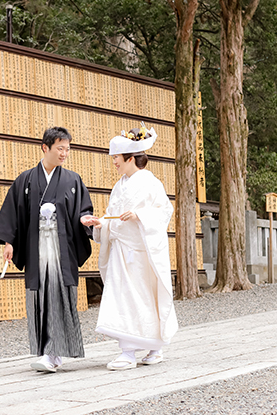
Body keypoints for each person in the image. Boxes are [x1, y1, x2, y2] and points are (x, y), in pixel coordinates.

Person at [0, 126, 95, 372]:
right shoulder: (25, 180)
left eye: (67, 149)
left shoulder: (72, 180)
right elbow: (13, 215)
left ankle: (53, 353)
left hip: (62, 249)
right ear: (45, 147)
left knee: (58, 295)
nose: (64, 154)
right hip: (37, 249)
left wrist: (84, 220)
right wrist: (9, 242)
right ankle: (48, 352)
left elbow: (83, 209)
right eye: (60, 148)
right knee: (41, 297)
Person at [82, 125, 178, 370]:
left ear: (131, 158)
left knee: (145, 297)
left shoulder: (150, 182)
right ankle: (128, 350)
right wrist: (100, 222)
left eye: (116, 157)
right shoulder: (119, 185)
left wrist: (139, 215)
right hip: (121, 251)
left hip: (141, 251)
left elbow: (164, 211)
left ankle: (151, 347)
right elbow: (113, 216)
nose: (114, 162)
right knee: (122, 297)